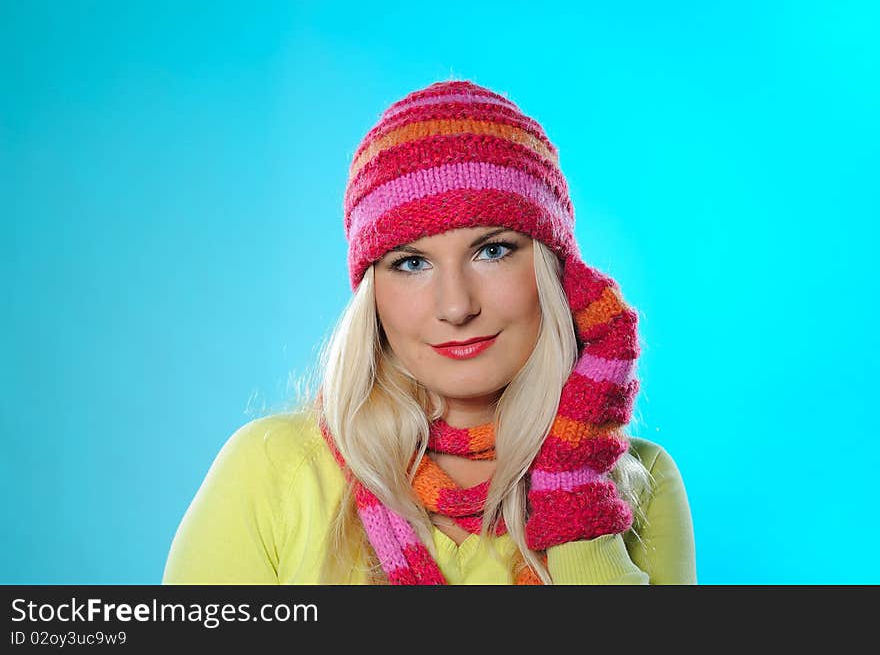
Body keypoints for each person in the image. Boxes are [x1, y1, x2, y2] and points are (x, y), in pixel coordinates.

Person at [162, 79, 697, 585]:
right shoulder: (272, 469)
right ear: (373, 293)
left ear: (560, 275)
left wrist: (576, 493)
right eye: (412, 262)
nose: (457, 306)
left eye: (493, 250)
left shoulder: (637, 483)